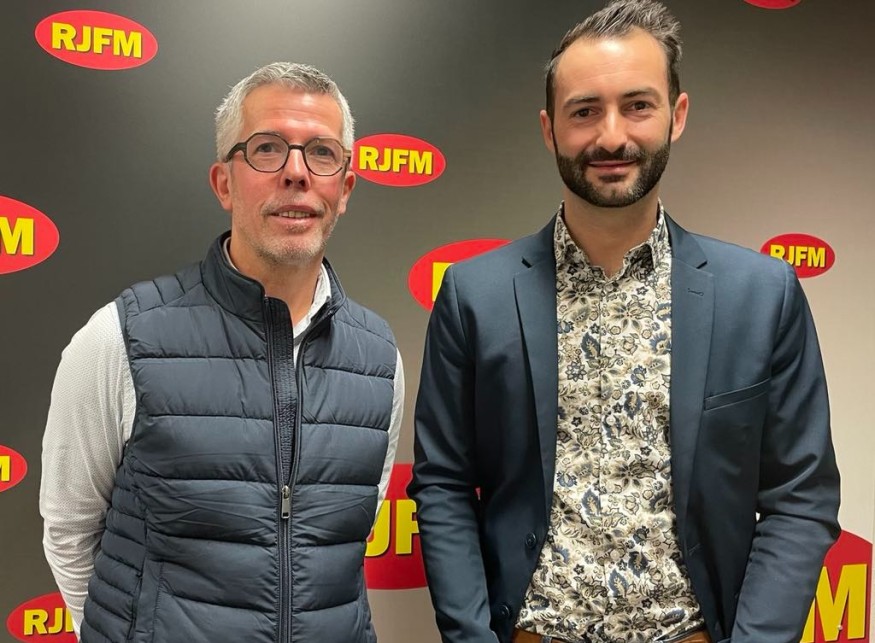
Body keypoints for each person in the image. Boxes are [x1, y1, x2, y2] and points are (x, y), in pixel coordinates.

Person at [408, 1, 840, 642]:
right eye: (584, 111)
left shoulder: (761, 296)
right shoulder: (475, 296)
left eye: (637, 105)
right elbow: (443, 484)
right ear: (550, 129)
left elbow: (800, 496)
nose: (612, 137)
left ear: (677, 115)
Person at [40, 62, 403, 643]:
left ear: (345, 190)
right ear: (224, 183)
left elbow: (348, 541)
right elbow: (69, 530)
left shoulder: (380, 358)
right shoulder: (120, 338)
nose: (296, 173)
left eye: (322, 153)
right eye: (267, 149)